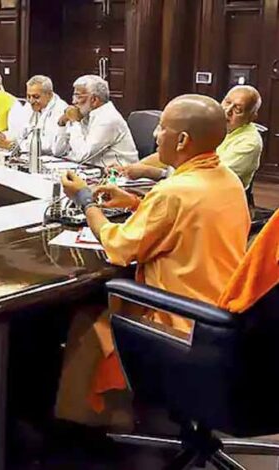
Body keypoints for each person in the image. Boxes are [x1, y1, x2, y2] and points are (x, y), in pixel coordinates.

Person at [57, 94, 250, 428]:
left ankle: (88, 426)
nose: (156, 134)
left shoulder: (174, 191)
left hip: (183, 324)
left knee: (88, 322)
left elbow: (118, 246)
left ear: (183, 140)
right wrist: (135, 203)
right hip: (227, 319)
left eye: (162, 127)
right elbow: (185, 221)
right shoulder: (229, 181)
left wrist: (86, 200)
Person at [120, 85, 264, 190]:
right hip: (184, 184)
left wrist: (155, 173)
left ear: (251, 117)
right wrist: (135, 168)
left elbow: (209, 178)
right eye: (227, 102)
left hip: (209, 193)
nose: (227, 111)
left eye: (237, 109)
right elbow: (170, 151)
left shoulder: (250, 143)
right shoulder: (214, 124)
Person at [53, 75, 138, 167]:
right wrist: (62, 124)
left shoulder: (108, 119)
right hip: (92, 169)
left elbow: (81, 155)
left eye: (78, 96)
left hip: (119, 173)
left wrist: (74, 122)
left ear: (94, 100)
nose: (73, 101)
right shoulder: (85, 114)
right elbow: (58, 152)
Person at [0, 75, 68, 154]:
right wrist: (3, 136)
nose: (31, 101)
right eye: (28, 96)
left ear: (49, 94)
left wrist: (14, 145)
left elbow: (49, 146)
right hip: (29, 153)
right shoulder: (29, 105)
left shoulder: (60, 109)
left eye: (36, 97)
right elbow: (20, 132)